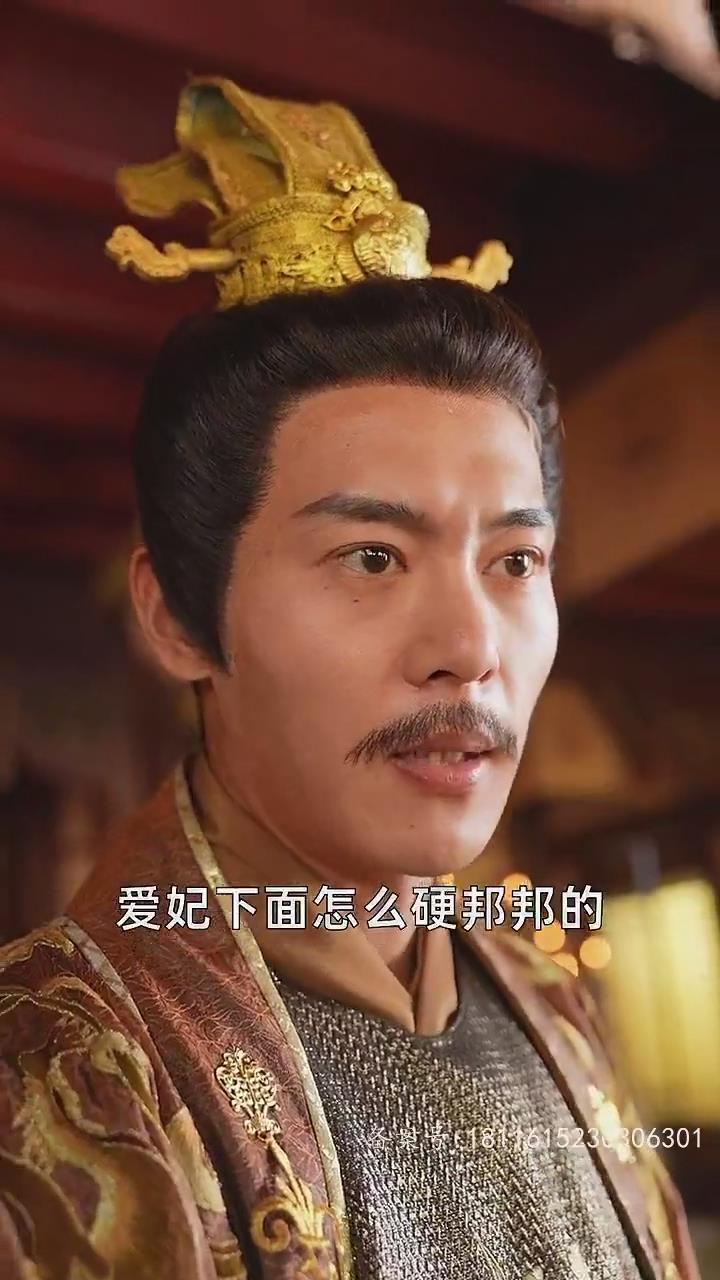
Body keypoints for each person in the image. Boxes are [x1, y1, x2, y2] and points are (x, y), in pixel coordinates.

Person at [0, 77, 698, 1280]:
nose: (470, 646)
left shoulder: (550, 997)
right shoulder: (59, 1067)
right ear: (178, 616)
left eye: (514, 560)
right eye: (372, 555)